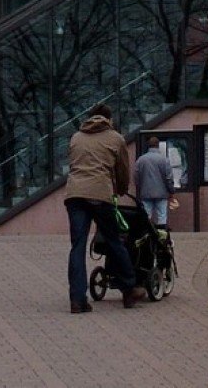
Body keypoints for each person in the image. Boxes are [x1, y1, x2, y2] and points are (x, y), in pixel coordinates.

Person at [63, 102, 146, 313]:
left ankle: (77, 299)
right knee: (114, 240)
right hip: (100, 194)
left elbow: (73, 164)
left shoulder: (76, 137)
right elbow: (123, 171)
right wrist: (120, 189)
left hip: (75, 194)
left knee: (78, 246)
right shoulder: (115, 138)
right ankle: (129, 289)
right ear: (109, 120)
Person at [134, 135, 178, 227]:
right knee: (162, 215)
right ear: (158, 145)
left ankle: (147, 235)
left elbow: (136, 177)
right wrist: (171, 191)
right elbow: (168, 178)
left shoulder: (141, 160)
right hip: (161, 193)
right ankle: (161, 235)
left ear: (148, 146)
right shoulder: (164, 160)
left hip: (145, 192)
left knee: (146, 216)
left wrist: (139, 188)